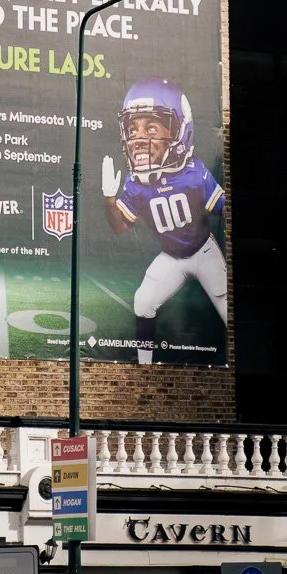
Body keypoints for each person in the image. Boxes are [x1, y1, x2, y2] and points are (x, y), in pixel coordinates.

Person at [101, 77, 226, 363]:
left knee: (226, 309)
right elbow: (119, 227)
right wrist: (109, 200)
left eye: (151, 127)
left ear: (179, 130)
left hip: (203, 252)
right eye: (132, 129)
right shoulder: (135, 184)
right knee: (143, 301)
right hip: (170, 257)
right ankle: (145, 367)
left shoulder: (195, 173)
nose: (139, 139)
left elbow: (223, 209)